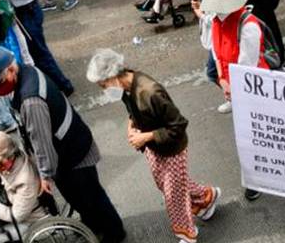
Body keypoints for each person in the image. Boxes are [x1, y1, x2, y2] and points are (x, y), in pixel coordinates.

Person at [0, 46, 127, 243]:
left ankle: (114, 234)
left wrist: (45, 176)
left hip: (72, 154)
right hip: (72, 145)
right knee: (83, 198)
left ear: (11, 70)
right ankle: (92, 226)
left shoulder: (30, 99)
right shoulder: (29, 71)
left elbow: (41, 142)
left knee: (91, 197)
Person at [87, 49, 220, 243]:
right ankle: (206, 197)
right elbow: (132, 111)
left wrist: (145, 137)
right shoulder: (126, 87)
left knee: (173, 194)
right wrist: (131, 125)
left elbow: (179, 126)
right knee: (166, 185)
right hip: (155, 147)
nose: (104, 90)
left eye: (103, 85)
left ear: (113, 76)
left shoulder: (150, 91)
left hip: (172, 148)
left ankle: (187, 233)